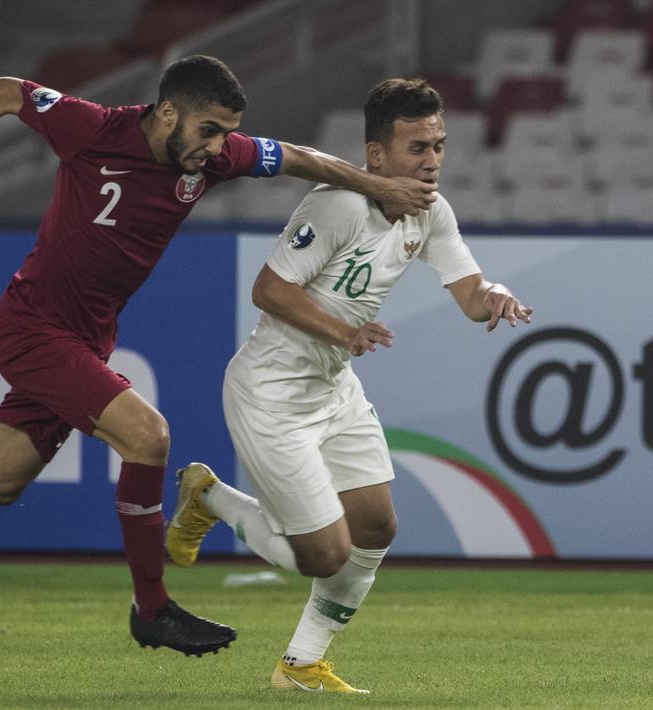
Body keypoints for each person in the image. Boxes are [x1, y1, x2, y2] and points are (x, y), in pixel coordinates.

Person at [0, 55, 437, 657]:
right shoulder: (93, 129)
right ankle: (152, 609)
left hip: (87, 338)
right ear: (169, 113)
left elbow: (298, 157)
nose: (218, 147)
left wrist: (375, 185)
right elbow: (5, 90)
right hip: (34, 329)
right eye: (209, 131)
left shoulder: (213, 159)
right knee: (148, 437)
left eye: (226, 133)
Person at [165, 77, 533, 691]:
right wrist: (345, 332)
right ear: (376, 155)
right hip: (271, 395)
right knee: (322, 556)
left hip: (333, 389)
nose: (432, 161)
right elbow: (269, 290)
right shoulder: (336, 206)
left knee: (376, 528)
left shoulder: (431, 212)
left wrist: (494, 293)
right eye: (417, 147)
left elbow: (471, 294)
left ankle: (300, 665)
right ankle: (209, 498)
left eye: (439, 146)